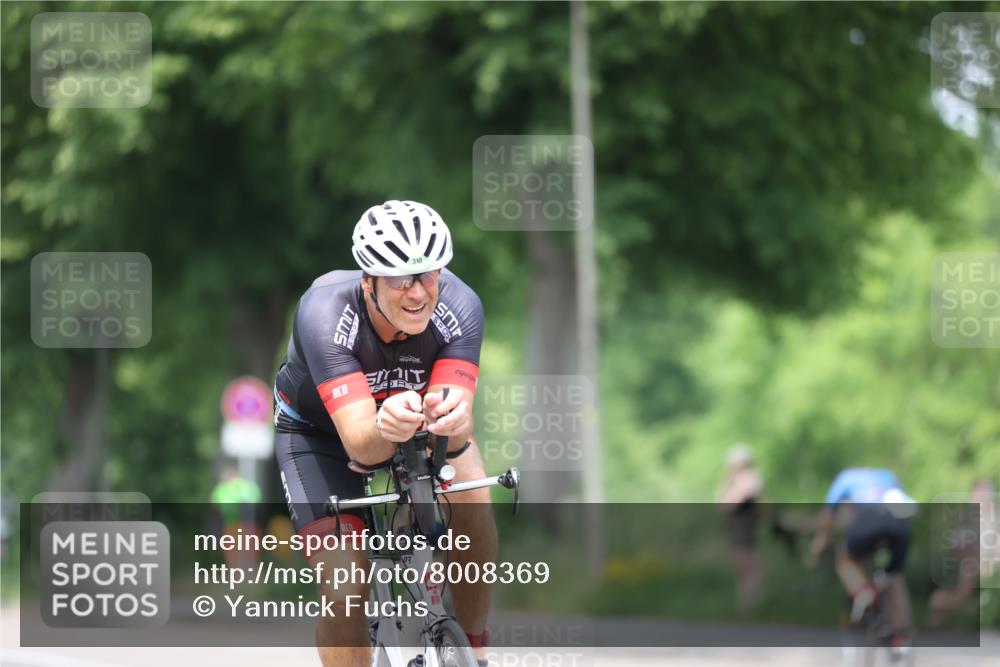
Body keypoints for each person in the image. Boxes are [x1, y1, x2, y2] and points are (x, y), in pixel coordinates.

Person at [273, 200, 496, 667]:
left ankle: (474, 649)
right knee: (343, 584)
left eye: (428, 275)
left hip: (413, 426)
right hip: (319, 435)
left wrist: (451, 421)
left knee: (475, 499)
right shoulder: (324, 311)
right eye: (399, 279)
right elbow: (361, 444)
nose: (417, 293)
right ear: (368, 281)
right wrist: (382, 424)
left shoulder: (460, 306)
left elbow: (456, 435)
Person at [807, 468, 917, 651]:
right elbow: (907, 508)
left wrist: (820, 543)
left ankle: (865, 593)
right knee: (895, 577)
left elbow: (828, 515)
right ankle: (900, 638)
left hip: (867, 520)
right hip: (899, 525)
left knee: (844, 558)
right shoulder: (888, 476)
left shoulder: (845, 478)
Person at [927, 479, 997, 627]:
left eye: (985, 493)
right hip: (971, 565)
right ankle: (938, 617)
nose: (981, 497)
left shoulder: (995, 517)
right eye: (978, 493)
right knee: (969, 564)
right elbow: (957, 548)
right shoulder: (966, 518)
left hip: (992, 564)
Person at [717, 443, 765, 610]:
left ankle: (752, 599)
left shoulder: (750, 477)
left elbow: (734, 501)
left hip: (744, 522)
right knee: (740, 564)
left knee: (747, 561)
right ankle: (745, 600)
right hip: (736, 523)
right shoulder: (732, 479)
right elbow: (721, 502)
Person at [211, 465, 263, 568]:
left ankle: (239, 569)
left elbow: (215, 502)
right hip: (242, 523)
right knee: (246, 548)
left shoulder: (224, 488)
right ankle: (247, 568)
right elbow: (257, 497)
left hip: (238, 523)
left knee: (236, 550)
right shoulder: (246, 485)